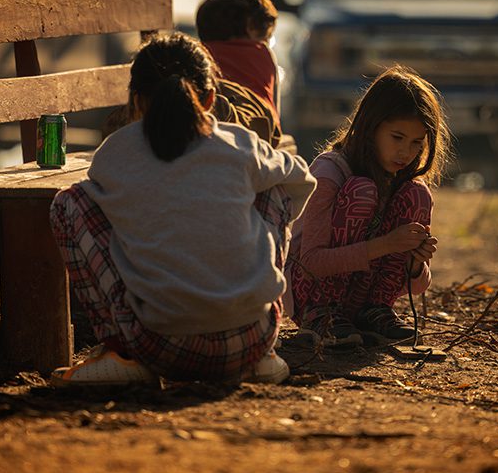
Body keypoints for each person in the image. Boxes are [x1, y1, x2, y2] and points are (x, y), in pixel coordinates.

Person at [48, 32, 316, 386]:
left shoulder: (114, 152)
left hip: (156, 345)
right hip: (251, 341)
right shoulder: (240, 142)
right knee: (275, 188)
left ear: (136, 100)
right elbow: (302, 180)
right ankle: (265, 356)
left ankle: (122, 355)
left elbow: (105, 214)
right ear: (209, 98)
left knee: (70, 201)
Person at [284, 65, 452, 348]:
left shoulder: (403, 184)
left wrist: (414, 263)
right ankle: (322, 316)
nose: (405, 152)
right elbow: (311, 261)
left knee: (418, 194)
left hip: (363, 296)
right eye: (396, 138)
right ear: (370, 128)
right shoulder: (329, 172)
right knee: (361, 190)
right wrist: (386, 245)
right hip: (311, 291)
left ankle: (374, 312)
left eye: (416, 143)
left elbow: (418, 286)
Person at [195, 0, 282, 128]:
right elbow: (275, 117)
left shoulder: (198, 54)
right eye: (266, 36)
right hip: (256, 131)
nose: (265, 42)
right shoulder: (262, 53)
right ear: (251, 27)